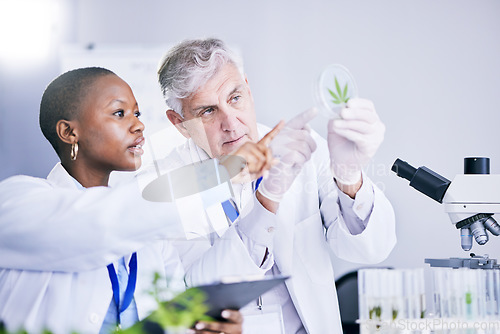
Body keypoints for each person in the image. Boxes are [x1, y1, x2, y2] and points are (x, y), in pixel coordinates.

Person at [0, 67, 280, 334]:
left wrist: (203, 326)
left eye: (137, 113)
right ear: (69, 132)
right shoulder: (16, 202)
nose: (139, 125)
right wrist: (221, 174)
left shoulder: (152, 240)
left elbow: (168, 321)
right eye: (119, 113)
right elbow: (99, 225)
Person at [151, 38, 397, 334]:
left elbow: (371, 250)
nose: (231, 123)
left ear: (248, 90)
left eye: (235, 98)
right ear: (179, 123)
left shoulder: (303, 148)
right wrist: (267, 199)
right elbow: (197, 295)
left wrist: (349, 177)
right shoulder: (168, 183)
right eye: (207, 111)